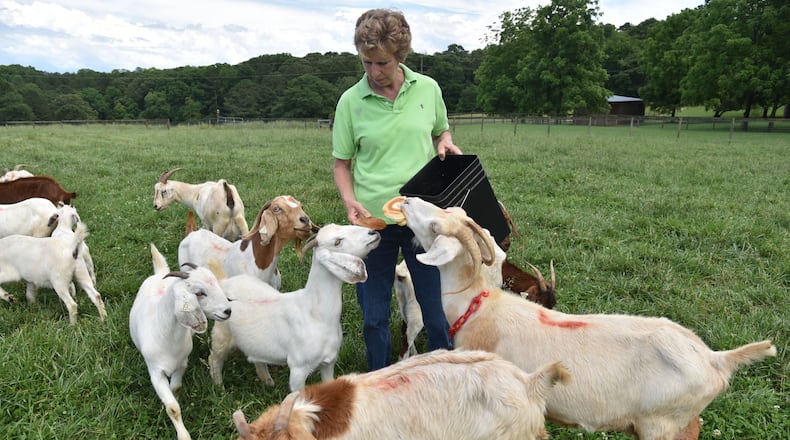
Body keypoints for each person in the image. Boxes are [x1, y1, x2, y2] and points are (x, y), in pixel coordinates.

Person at [331, 8, 463, 371]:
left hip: (423, 219)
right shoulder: (350, 102)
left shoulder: (428, 89)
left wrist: (446, 143)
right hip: (372, 223)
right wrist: (349, 199)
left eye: (382, 63)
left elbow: (442, 131)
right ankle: (379, 382)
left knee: (437, 312)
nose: (374, 72)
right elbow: (342, 164)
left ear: (400, 56)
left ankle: (446, 375)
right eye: (366, 63)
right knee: (373, 317)